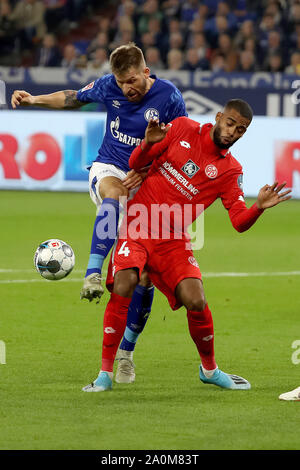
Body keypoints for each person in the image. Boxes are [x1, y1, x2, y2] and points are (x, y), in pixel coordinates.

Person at [82, 99, 291, 392]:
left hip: (174, 240)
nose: (233, 131)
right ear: (219, 117)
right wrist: (146, 145)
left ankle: (209, 369)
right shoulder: (181, 128)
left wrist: (259, 207)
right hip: (138, 224)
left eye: (241, 129)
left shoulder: (231, 171)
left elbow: (239, 222)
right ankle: (104, 373)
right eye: (230, 123)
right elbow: (135, 165)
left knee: (196, 300)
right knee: (126, 282)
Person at [11, 42, 187, 384]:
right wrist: (34, 99)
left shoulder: (169, 98)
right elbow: (72, 98)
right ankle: (93, 271)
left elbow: (181, 144)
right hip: (110, 168)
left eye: (133, 80)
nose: (128, 88)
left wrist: (151, 169)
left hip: (148, 183)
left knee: (143, 278)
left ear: (146, 72)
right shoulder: (108, 86)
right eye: (122, 83)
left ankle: (126, 355)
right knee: (114, 194)